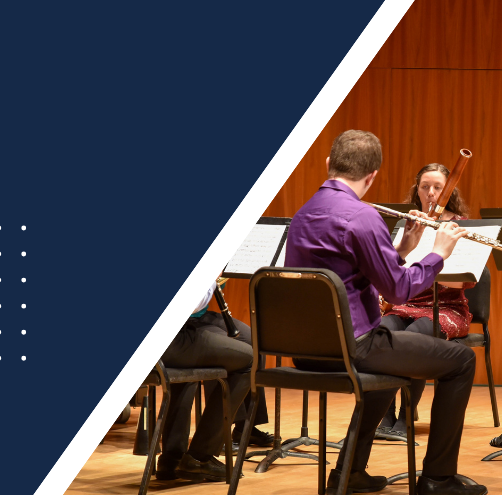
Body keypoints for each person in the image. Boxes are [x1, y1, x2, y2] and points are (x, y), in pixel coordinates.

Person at [284, 130, 484, 495]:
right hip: (354, 348)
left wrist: (405, 246)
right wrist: (437, 253)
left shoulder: (302, 214)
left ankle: (348, 473)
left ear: (328, 165)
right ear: (373, 175)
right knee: (461, 360)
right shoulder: (362, 217)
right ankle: (437, 479)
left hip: (309, 351)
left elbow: (367, 275)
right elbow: (399, 290)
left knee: (389, 358)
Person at [374, 163, 477, 441]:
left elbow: (463, 281)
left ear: (449, 191)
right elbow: (392, 270)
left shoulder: (461, 227)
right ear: (416, 190)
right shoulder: (409, 223)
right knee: (382, 333)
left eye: (438, 187)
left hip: (446, 308)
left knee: (414, 339)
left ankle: (407, 417)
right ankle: (383, 415)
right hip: (405, 302)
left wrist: (431, 260)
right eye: (425, 187)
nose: (431, 193)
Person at [155, 282, 265, 482]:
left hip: (184, 325)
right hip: (169, 335)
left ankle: (173, 457)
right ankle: (199, 457)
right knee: (249, 360)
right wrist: (208, 277)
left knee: (252, 340)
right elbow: (190, 304)